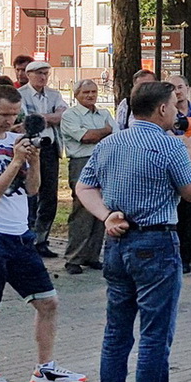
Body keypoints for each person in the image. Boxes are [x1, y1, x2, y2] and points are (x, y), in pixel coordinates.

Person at [74, 81, 191, 382]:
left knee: (116, 335)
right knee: (154, 336)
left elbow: (84, 187)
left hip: (117, 243)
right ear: (161, 109)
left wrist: (107, 216)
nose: (180, 111)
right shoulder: (169, 145)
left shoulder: (110, 142)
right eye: (176, 106)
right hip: (156, 241)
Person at [0, 83, 87, 382]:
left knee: (48, 302)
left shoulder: (18, 140)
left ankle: (45, 369)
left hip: (19, 236)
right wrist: (15, 161)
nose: (10, 121)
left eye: (16, 114)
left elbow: (33, 189)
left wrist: (35, 158)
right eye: (4, 114)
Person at [58, 79, 115, 275]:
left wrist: (102, 133)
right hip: (81, 162)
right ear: (76, 95)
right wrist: (104, 132)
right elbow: (85, 137)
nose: (90, 95)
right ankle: (74, 257)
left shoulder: (104, 113)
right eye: (85, 92)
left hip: (104, 161)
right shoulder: (70, 115)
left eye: (93, 92)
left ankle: (92, 255)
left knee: (102, 207)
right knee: (82, 209)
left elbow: (114, 136)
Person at [18, 60, 67, 257]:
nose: (43, 77)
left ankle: (42, 238)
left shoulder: (54, 94)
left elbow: (63, 115)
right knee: (30, 194)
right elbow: (26, 120)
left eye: (45, 73)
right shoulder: (21, 94)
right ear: (28, 75)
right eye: (38, 73)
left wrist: (41, 118)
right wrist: (49, 116)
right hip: (29, 147)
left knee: (49, 195)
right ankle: (27, 237)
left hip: (50, 148)